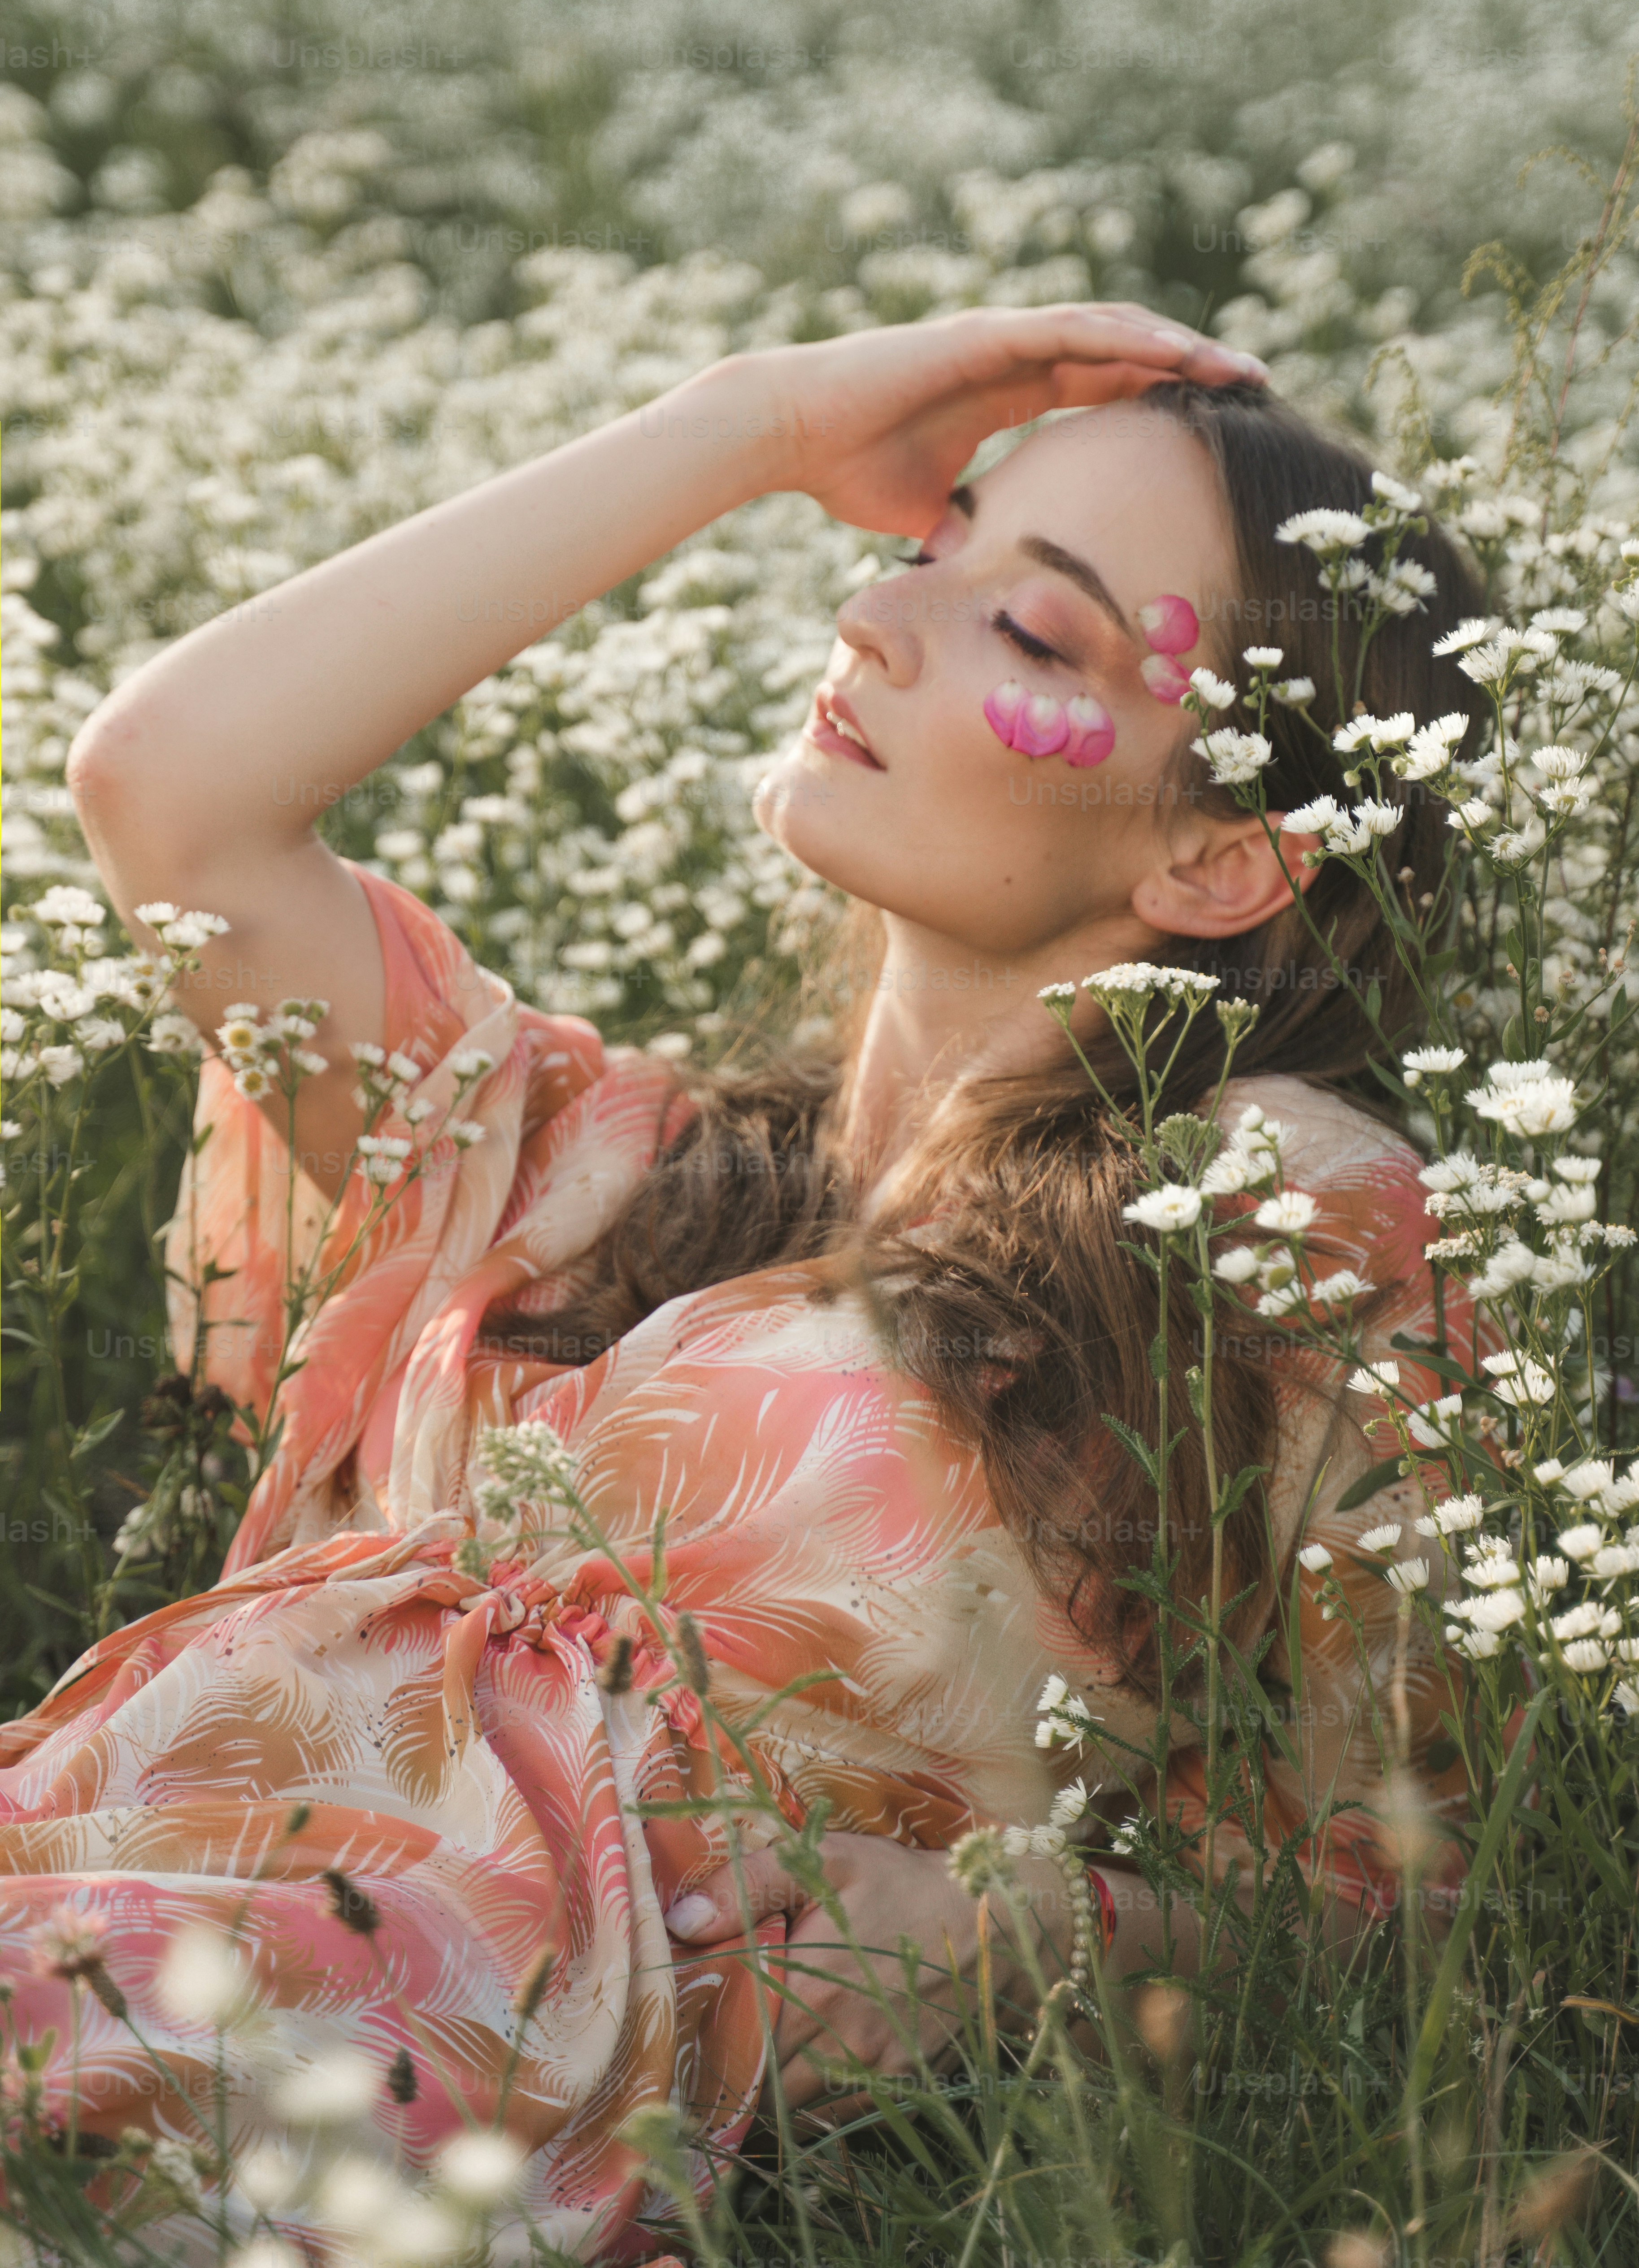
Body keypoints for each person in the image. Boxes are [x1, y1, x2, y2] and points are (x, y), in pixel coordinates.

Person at [9, 304, 1489, 2260]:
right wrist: (750, 422)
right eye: (919, 547)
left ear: (1222, 863)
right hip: (97, 1886)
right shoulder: (594, 1173)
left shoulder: (1270, 1209)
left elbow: (1402, 1879)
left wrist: (1007, 1930)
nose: (878, 622)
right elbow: (172, 793)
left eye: (1032, 630)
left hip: (372, 2062)